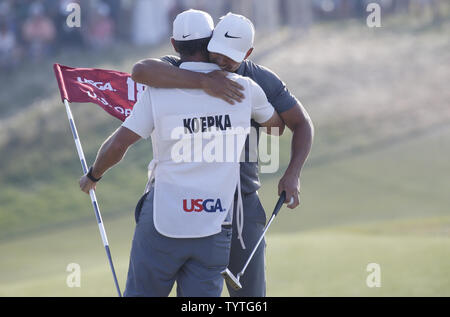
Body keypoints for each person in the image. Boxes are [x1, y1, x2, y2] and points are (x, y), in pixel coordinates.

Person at [79, 9, 284, 297]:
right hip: (213, 224)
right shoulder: (246, 90)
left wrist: (92, 175)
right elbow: (277, 125)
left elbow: (117, 145)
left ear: (174, 45)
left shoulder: (157, 90)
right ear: (212, 40)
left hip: (164, 219)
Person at [131, 12, 314, 297]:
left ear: (248, 52)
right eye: (217, 53)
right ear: (211, 38)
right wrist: (204, 82)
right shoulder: (180, 67)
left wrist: (293, 174)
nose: (221, 62)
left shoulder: (258, 79)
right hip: (190, 201)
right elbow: (141, 71)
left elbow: (300, 124)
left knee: (249, 294)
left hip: (242, 200)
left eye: (230, 59)